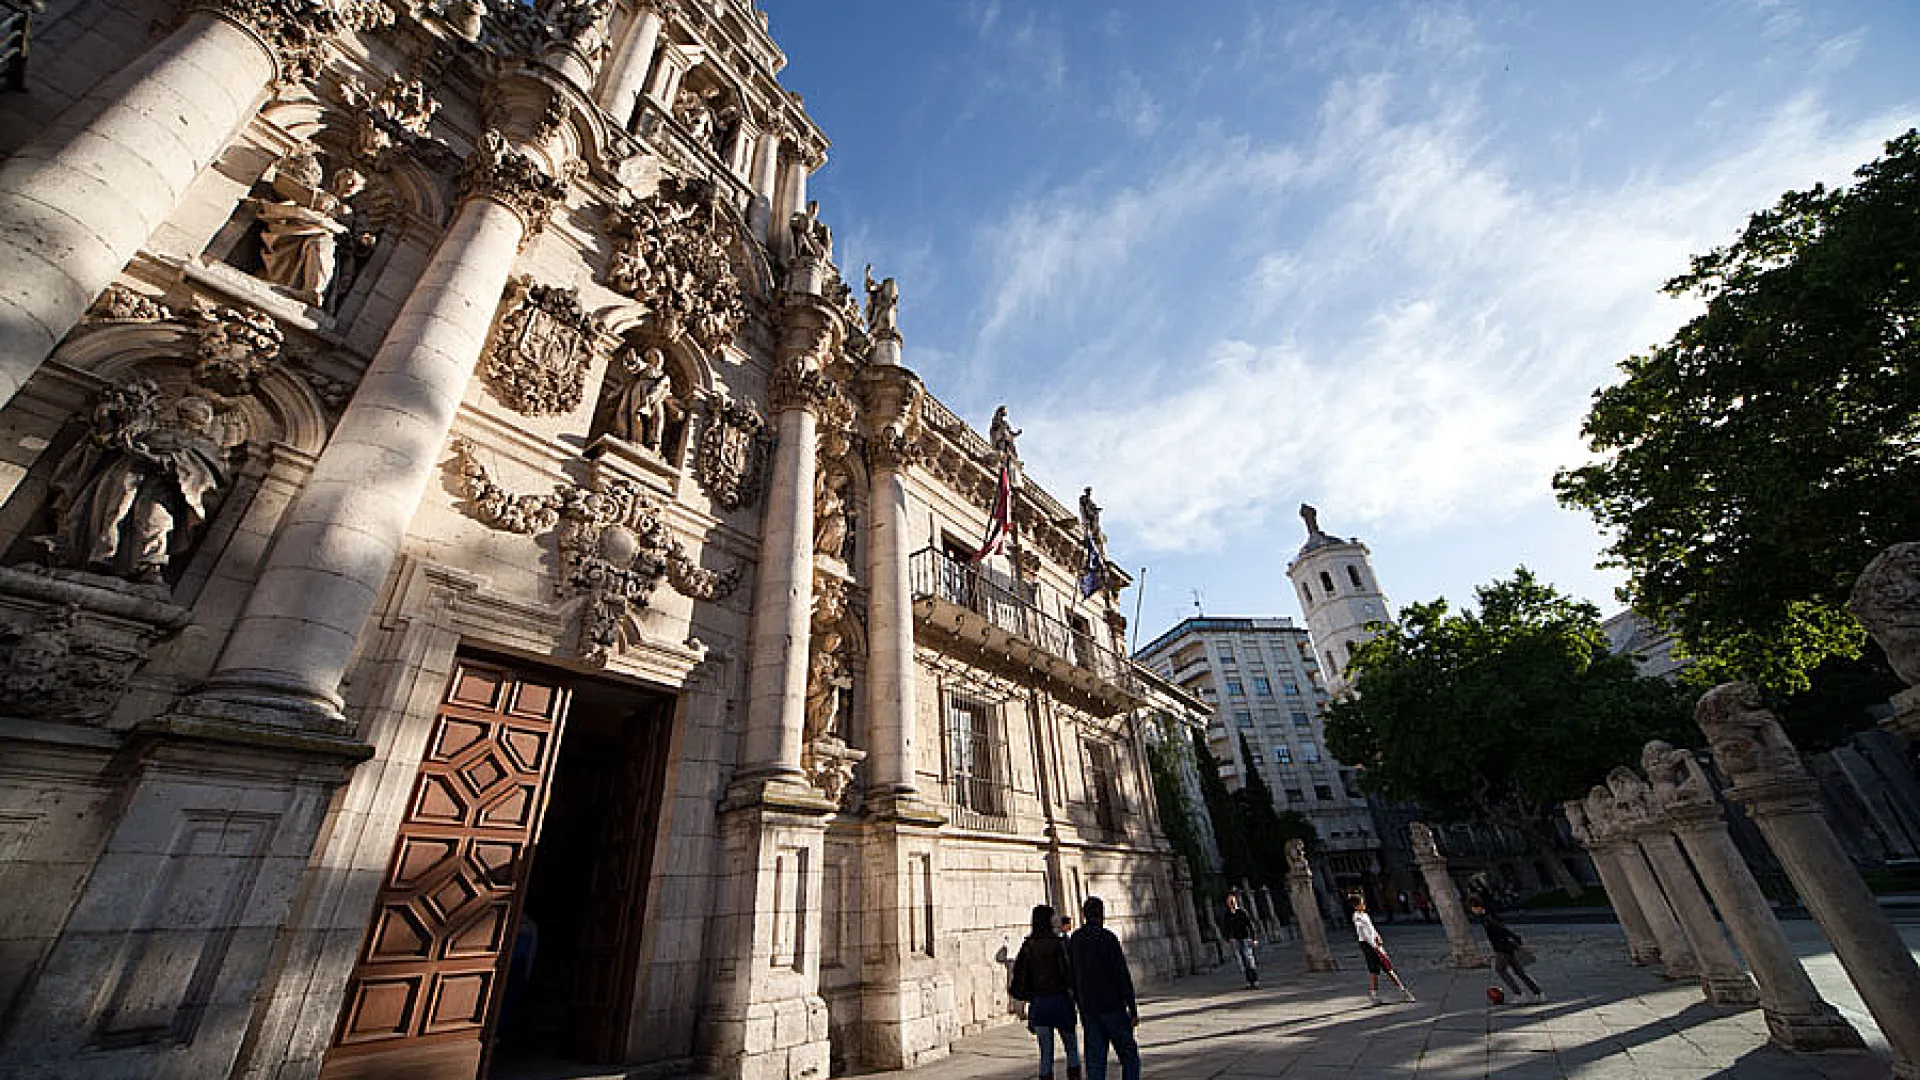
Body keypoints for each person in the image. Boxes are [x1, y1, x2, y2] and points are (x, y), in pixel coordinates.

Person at [1068, 896, 1139, 1080]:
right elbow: (1121, 974)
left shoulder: (1075, 939)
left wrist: (1079, 1001)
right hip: (1112, 1006)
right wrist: (1132, 1008)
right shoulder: (1108, 938)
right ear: (1101, 914)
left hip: (1089, 1008)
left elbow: (1071, 975)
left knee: (1095, 1061)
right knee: (1129, 1055)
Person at [1010, 904, 1081, 1080]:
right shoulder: (1058, 944)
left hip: (1040, 1003)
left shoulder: (1028, 945)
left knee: (1045, 1054)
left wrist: (1029, 995)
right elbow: (1068, 972)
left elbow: (1019, 974)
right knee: (1071, 1048)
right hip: (1060, 1000)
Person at [1472, 898, 1544, 1004]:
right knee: (1520, 972)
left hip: (1502, 948)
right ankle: (1539, 993)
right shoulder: (1489, 914)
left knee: (1500, 970)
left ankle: (1519, 994)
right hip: (1508, 947)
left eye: (1472, 908)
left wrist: (1516, 938)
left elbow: (1502, 929)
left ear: (1477, 907)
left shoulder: (1486, 917)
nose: (1472, 911)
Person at [1351, 894, 1415, 1005]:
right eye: (1361, 903)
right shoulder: (1357, 917)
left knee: (1383, 969)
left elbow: (1371, 928)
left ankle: (1394, 992)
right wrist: (1376, 947)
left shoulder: (1364, 915)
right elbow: (1364, 934)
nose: (1364, 904)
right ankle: (1401, 992)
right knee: (1379, 970)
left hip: (1373, 944)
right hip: (1369, 945)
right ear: (1356, 906)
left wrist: (1377, 935)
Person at [1224, 893, 1259, 989]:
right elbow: (1226, 928)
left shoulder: (1242, 912)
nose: (1231, 903)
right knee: (1242, 962)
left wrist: (1254, 938)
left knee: (1249, 959)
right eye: (1230, 902)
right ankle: (1248, 981)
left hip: (1246, 938)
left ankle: (1255, 981)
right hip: (1236, 939)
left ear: (1236, 902)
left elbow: (1250, 925)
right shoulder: (1228, 915)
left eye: (1233, 901)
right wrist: (1228, 939)